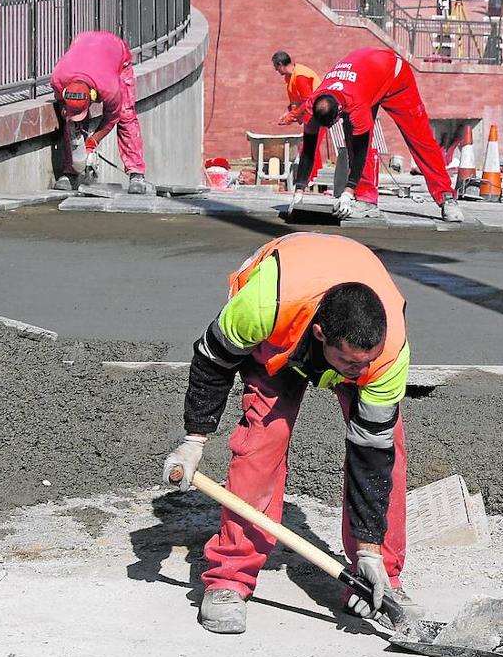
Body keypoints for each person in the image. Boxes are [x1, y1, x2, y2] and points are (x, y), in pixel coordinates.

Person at [164, 232, 416, 633]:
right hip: (280, 338)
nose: (359, 372)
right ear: (321, 335)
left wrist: (370, 547)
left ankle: (378, 579)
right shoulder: (262, 306)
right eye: (350, 363)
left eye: (365, 362)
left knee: (391, 452)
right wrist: (194, 441)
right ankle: (230, 579)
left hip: (333, 311)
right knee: (261, 445)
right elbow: (212, 362)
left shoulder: (386, 355)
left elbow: (373, 456)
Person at [292, 48, 464, 223]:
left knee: (419, 137)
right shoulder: (312, 105)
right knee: (352, 137)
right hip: (368, 75)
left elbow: (360, 152)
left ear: (340, 111)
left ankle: (446, 197)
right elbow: (308, 150)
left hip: (395, 77)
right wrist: (298, 191)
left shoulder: (356, 105)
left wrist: (347, 193)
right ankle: (366, 200)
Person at [51, 31, 149, 193]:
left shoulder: (109, 87)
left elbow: (112, 117)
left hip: (115, 50)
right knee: (71, 123)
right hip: (83, 43)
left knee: (126, 115)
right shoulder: (58, 78)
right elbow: (63, 108)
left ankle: (136, 173)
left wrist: (93, 141)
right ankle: (71, 172)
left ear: (93, 95)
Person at [272, 51, 324, 185]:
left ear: (280, 65)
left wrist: (292, 116)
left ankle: (309, 179)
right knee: (310, 146)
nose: (276, 70)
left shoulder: (300, 76)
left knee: (310, 147)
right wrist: (289, 113)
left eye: (276, 67)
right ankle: (311, 178)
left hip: (319, 113)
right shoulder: (290, 77)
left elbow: (308, 101)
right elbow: (297, 101)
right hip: (312, 113)